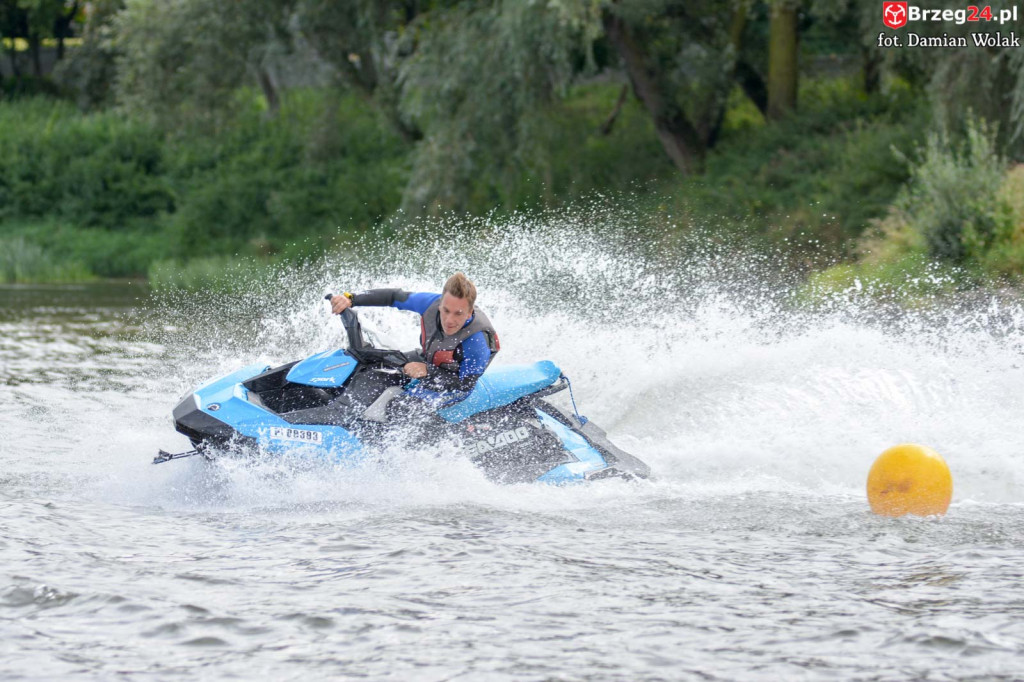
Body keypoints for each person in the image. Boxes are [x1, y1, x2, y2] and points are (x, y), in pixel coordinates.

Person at [330, 272, 499, 406]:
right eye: (446, 310)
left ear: (470, 312)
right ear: (440, 304)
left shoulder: (477, 341)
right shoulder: (430, 303)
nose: (449, 320)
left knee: (400, 407)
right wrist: (351, 299)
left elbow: (465, 385)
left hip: (453, 383)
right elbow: (393, 296)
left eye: (458, 314)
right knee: (374, 365)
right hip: (428, 361)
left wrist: (429, 372)